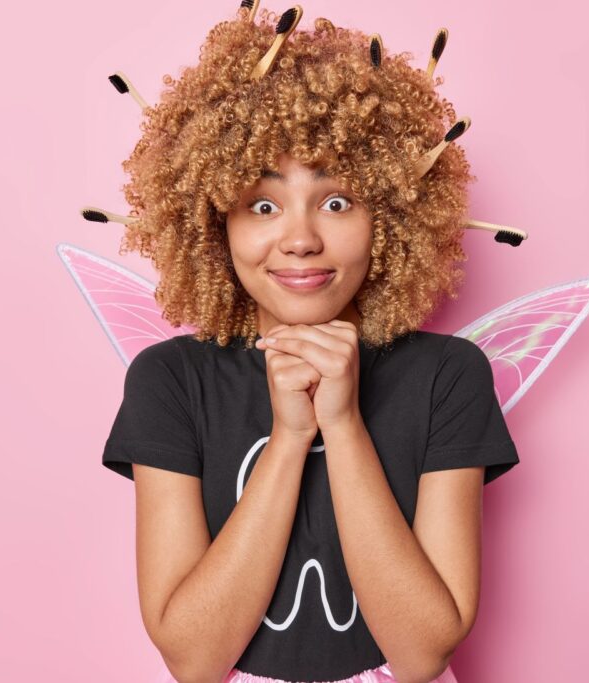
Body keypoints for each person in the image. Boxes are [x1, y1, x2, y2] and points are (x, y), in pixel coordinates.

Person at [101, 6, 520, 682]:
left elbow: (421, 654)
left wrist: (342, 422)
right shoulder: (171, 381)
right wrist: (290, 438)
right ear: (214, 224)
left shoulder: (448, 376)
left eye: (337, 201)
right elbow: (193, 658)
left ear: (390, 215)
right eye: (262, 205)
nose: (299, 238)